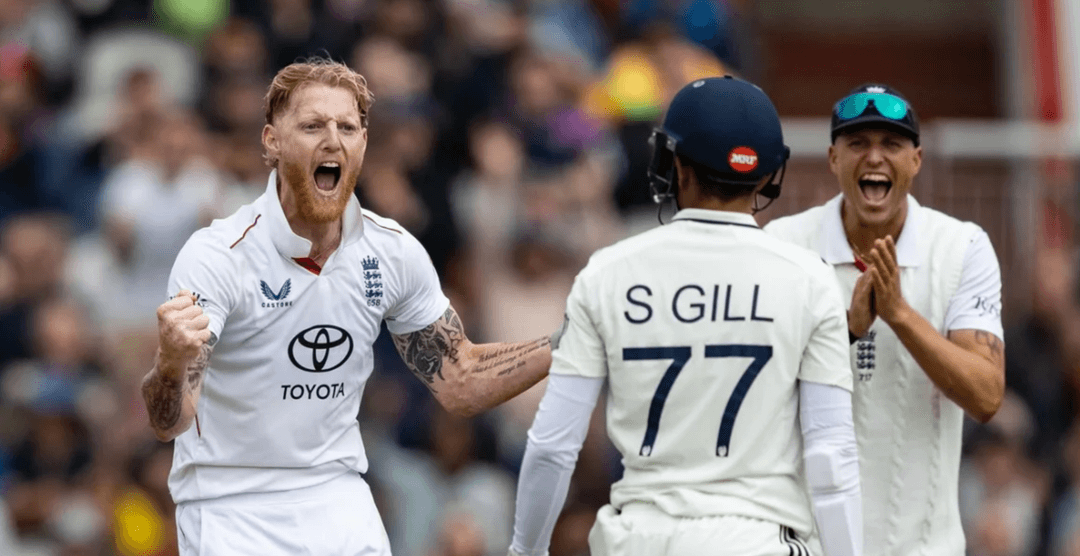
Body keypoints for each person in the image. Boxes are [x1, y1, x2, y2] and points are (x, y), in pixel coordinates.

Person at [139, 58, 554, 556]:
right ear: (272, 141)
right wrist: (170, 362)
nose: (332, 139)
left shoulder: (393, 252)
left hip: (338, 500)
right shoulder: (217, 256)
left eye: (348, 127)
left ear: (362, 143)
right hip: (231, 506)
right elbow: (170, 421)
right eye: (312, 125)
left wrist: (574, 341)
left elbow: (460, 379)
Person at [508, 76, 863, 556]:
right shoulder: (810, 279)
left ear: (673, 164)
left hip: (638, 539)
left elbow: (553, 447)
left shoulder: (607, 272)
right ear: (768, 175)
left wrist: (523, 551)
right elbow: (831, 457)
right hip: (759, 540)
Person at [764, 83, 1006, 556]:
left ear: (916, 159)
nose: (874, 158)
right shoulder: (783, 244)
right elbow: (762, 393)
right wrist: (849, 333)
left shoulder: (962, 247)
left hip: (925, 546)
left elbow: (986, 396)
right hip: (805, 544)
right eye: (858, 144)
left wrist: (898, 315)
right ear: (833, 158)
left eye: (891, 144)